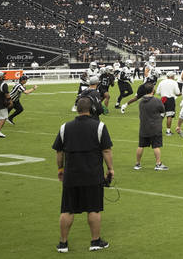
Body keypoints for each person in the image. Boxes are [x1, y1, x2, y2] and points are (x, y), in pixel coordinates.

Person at [54, 97, 114, 253]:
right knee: (93, 209)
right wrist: (110, 168)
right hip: (92, 174)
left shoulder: (64, 127)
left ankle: (63, 243)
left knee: (67, 209)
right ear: (92, 109)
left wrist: (60, 169)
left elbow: (59, 152)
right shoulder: (99, 126)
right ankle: (95, 241)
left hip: (71, 174)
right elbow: (106, 150)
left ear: (77, 109)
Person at [135, 90, 168, 171]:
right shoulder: (156, 100)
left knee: (141, 145)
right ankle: (158, 164)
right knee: (156, 146)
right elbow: (162, 110)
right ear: (152, 91)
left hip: (143, 127)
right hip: (155, 127)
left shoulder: (141, 101)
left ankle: (137, 164)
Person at [156, 71, 181, 135]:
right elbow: (177, 93)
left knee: (161, 116)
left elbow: (158, 92)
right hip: (170, 99)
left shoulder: (162, 82)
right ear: (172, 76)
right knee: (169, 116)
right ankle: (168, 131)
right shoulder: (174, 82)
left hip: (163, 99)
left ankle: (158, 130)